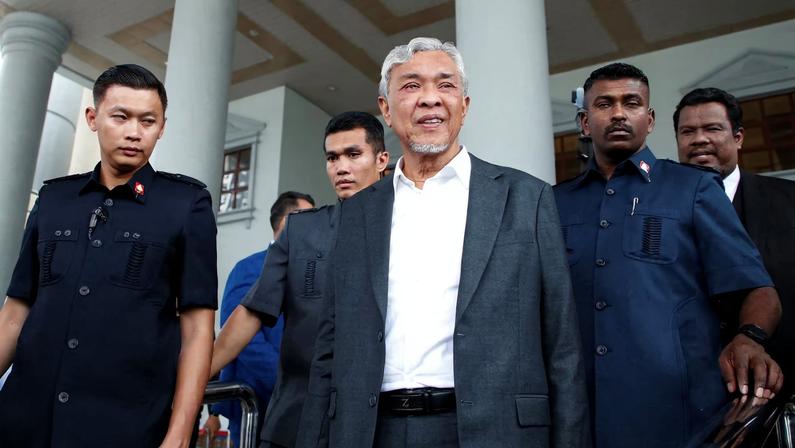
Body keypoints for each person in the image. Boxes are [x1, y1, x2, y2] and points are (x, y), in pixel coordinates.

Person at [296, 37, 589, 448]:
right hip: (371, 431)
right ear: (385, 108)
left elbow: (563, 346)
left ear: (464, 106)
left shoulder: (527, 198)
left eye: (446, 85)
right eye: (411, 86)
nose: (430, 99)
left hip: (494, 431)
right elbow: (329, 346)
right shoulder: (357, 212)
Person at [554, 62, 782, 448]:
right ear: (584, 123)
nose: (619, 113)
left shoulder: (692, 188)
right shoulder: (555, 203)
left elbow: (758, 290)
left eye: (632, 103)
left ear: (651, 119)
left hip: (680, 417)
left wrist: (749, 338)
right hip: (580, 415)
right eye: (604, 104)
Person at [0, 64, 217, 447]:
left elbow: (198, 329)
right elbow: (15, 315)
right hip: (25, 419)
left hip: (125, 425)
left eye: (148, 121)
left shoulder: (186, 204)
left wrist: (180, 433)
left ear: (162, 127)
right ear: (93, 117)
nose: (135, 132)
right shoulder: (54, 200)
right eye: (121, 116)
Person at [211, 111, 389, 448]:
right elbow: (251, 312)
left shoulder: (406, 231)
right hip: (296, 417)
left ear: (381, 160)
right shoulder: (301, 230)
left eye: (353, 154)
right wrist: (194, 377)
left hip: (375, 419)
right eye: (332, 157)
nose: (341, 167)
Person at [675, 87, 795, 384]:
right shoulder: (660, 212)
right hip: (694, 387)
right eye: (688, 131)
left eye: (712, 128)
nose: (699, 139)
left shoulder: (790, 200)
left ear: (738, 137)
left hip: (785, 382)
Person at [204, 192, 315, 444]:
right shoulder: (250, 269)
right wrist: (288, 383)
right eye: (309, 219)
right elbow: (246, 344)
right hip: (258, 404)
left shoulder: (311, 271)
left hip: (302, 408)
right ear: (287, 222)